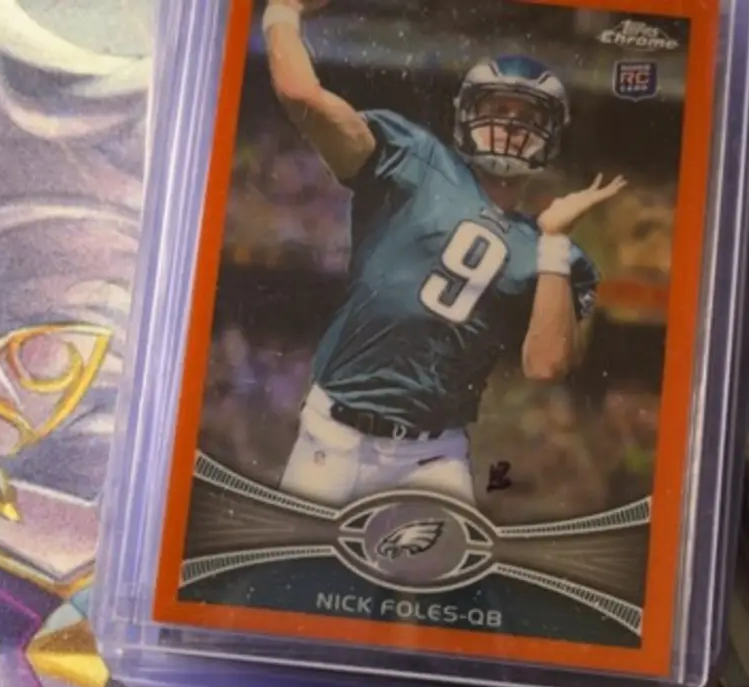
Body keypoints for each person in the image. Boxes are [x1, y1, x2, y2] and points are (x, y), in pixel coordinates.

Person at [262, 0, 627, 508]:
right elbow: (302, 94)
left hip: (432, 458)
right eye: (498, 109)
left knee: (448, 565)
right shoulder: (411, 158)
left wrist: (554, 243)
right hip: (335, 435)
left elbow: (546, 365)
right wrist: (282, 10)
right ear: (466, 114)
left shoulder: (554, 252)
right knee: (293, 558)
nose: (510, 125)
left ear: (551, 135)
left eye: (528, 116)